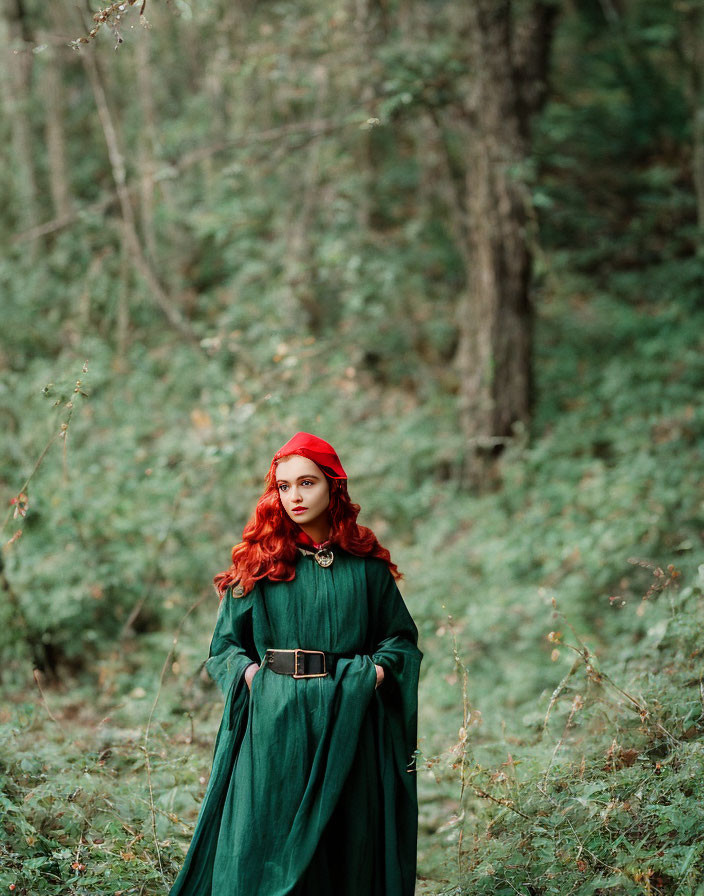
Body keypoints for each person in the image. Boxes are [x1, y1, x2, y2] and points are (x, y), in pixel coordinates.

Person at [168, 432, 423, 896]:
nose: (295, 496)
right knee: (263, 840)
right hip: (275, 723)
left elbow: (400, 639)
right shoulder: (260, 566)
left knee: (345, 843)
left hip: (349, 721)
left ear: (333, 485)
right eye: (284, 487)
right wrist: (255, 681)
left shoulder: (365, 568)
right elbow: (224, 650)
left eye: (306, 483)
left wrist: (375, 675)